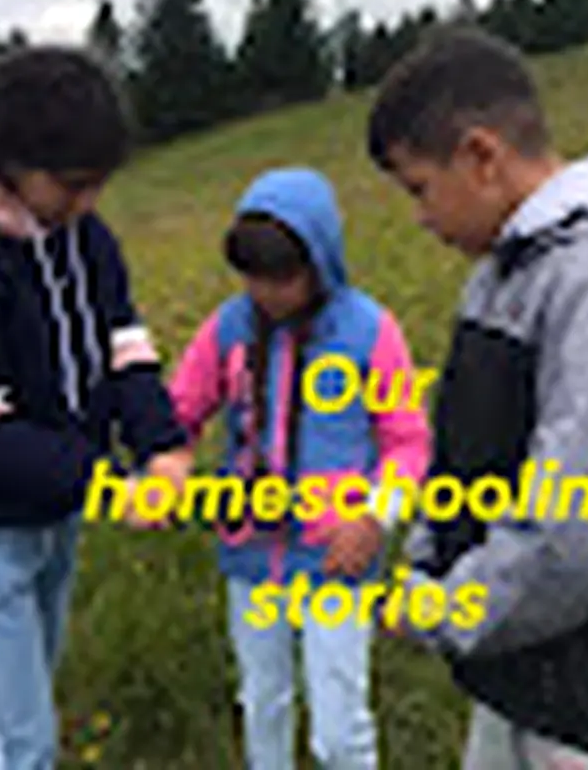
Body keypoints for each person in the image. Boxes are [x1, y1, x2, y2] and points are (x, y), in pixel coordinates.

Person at [365, 24, 588, 769]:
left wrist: (449, 608)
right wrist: (428, 563)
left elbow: (578, 525)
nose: (420, 218)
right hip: (515, 664)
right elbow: (462, 449)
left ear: (481, 157)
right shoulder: (501, 275)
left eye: (420, 189)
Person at [0, 45, 191, 768]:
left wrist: (161, 443)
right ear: (9, 160)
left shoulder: (80, 235)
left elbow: (123, 343)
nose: (88, 203)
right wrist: (108, 484)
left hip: (51, 521)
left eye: (98, 184)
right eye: (73, 185)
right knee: (17, 747)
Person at [164, 165, 432, 769]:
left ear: (321, 260)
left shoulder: (369, 331)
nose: (266, 292)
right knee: (263, 703)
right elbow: (179, 413)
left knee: (338, 730)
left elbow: (408, 443)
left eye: (282, 277)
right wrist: (169, 464)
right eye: (252, 277)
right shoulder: (227, 329)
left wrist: (375, 517)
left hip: (337, 558)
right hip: (250, 555)